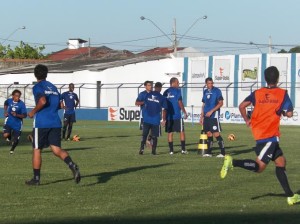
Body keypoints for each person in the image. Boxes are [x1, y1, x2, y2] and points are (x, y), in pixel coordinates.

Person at [220, 66, 300, 205]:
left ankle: (290, 196)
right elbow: (290, 113)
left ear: (265, 79)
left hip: (260, 133)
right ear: (278, 78)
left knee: (281, 161)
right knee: (259, 167)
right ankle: (232, 162)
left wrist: (247, 120)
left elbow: (241, 106)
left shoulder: (257, 93)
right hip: (269, 136)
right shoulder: (282, 94)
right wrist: (282, 112)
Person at [26, 64, 81, 186]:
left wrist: (32, 112)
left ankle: (36, 179)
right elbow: (59, 105)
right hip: (55, 122)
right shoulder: (54, 88)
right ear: (46, 74)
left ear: (35, 75)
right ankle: (72, 164)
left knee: (36, 149)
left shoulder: (38, 87)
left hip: (41, 123)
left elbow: (42, 101)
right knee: (56, 149)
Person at [139, 82, 167, 155]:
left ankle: (141, 149)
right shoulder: (162, 97)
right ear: (161, 88)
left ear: (154, 87)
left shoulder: (147, 94)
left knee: (144, 134)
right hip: (156, 119)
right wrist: (164, 120)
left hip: (147, 118)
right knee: (155, 136)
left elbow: (144, 104)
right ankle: (153, 151)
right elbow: (164, 109)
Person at [200, 77, 226, 158]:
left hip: (214, 116)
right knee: (208, 133)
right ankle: (209, 152)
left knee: (216, 133)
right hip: (206, 116)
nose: (210, 85)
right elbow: (203, 104)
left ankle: (223, 153)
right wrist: (201, 116)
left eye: (211, 83)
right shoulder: (205, 91)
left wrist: (212, 111)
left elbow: (221, 103)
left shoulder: (217, 91)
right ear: (206, 84)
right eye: (209, 83)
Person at [163, 77, 188, 155]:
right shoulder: (177, 91)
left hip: (168, 116)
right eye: (177, 83)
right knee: (181, 132)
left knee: (170, 133)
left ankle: (171, 151)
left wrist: (164, 118)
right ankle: (183, 150)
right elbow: (179, 102)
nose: (178, 84)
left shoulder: (165, 92)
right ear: (173, 83)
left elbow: (164, 106)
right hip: (177, 115)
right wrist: (184, 112)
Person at [3, 89, 27, 154]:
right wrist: (5, 112)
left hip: (18, 124)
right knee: (5, 135)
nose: (18, 97)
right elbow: (5, 103)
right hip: (9, 121)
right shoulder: (9, 101)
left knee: (15, 140)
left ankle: (12, 150)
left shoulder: (22, 104)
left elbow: (24, 115)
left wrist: (17, 115)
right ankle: (9, 136)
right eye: (16, 96)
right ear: (13, 96)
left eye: (19, 96)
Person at [135, 80, 153, 148]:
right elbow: (136, 103)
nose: (150, 86)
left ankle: (148, 140)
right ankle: (144, 143)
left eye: (151, 85)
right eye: (148, 85)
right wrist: (144, 102)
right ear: (145, 86)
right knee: (145, 131)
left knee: (153, 129)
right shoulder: (142, 94)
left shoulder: (153, 93)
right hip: (145, 115)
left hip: (153, 114)